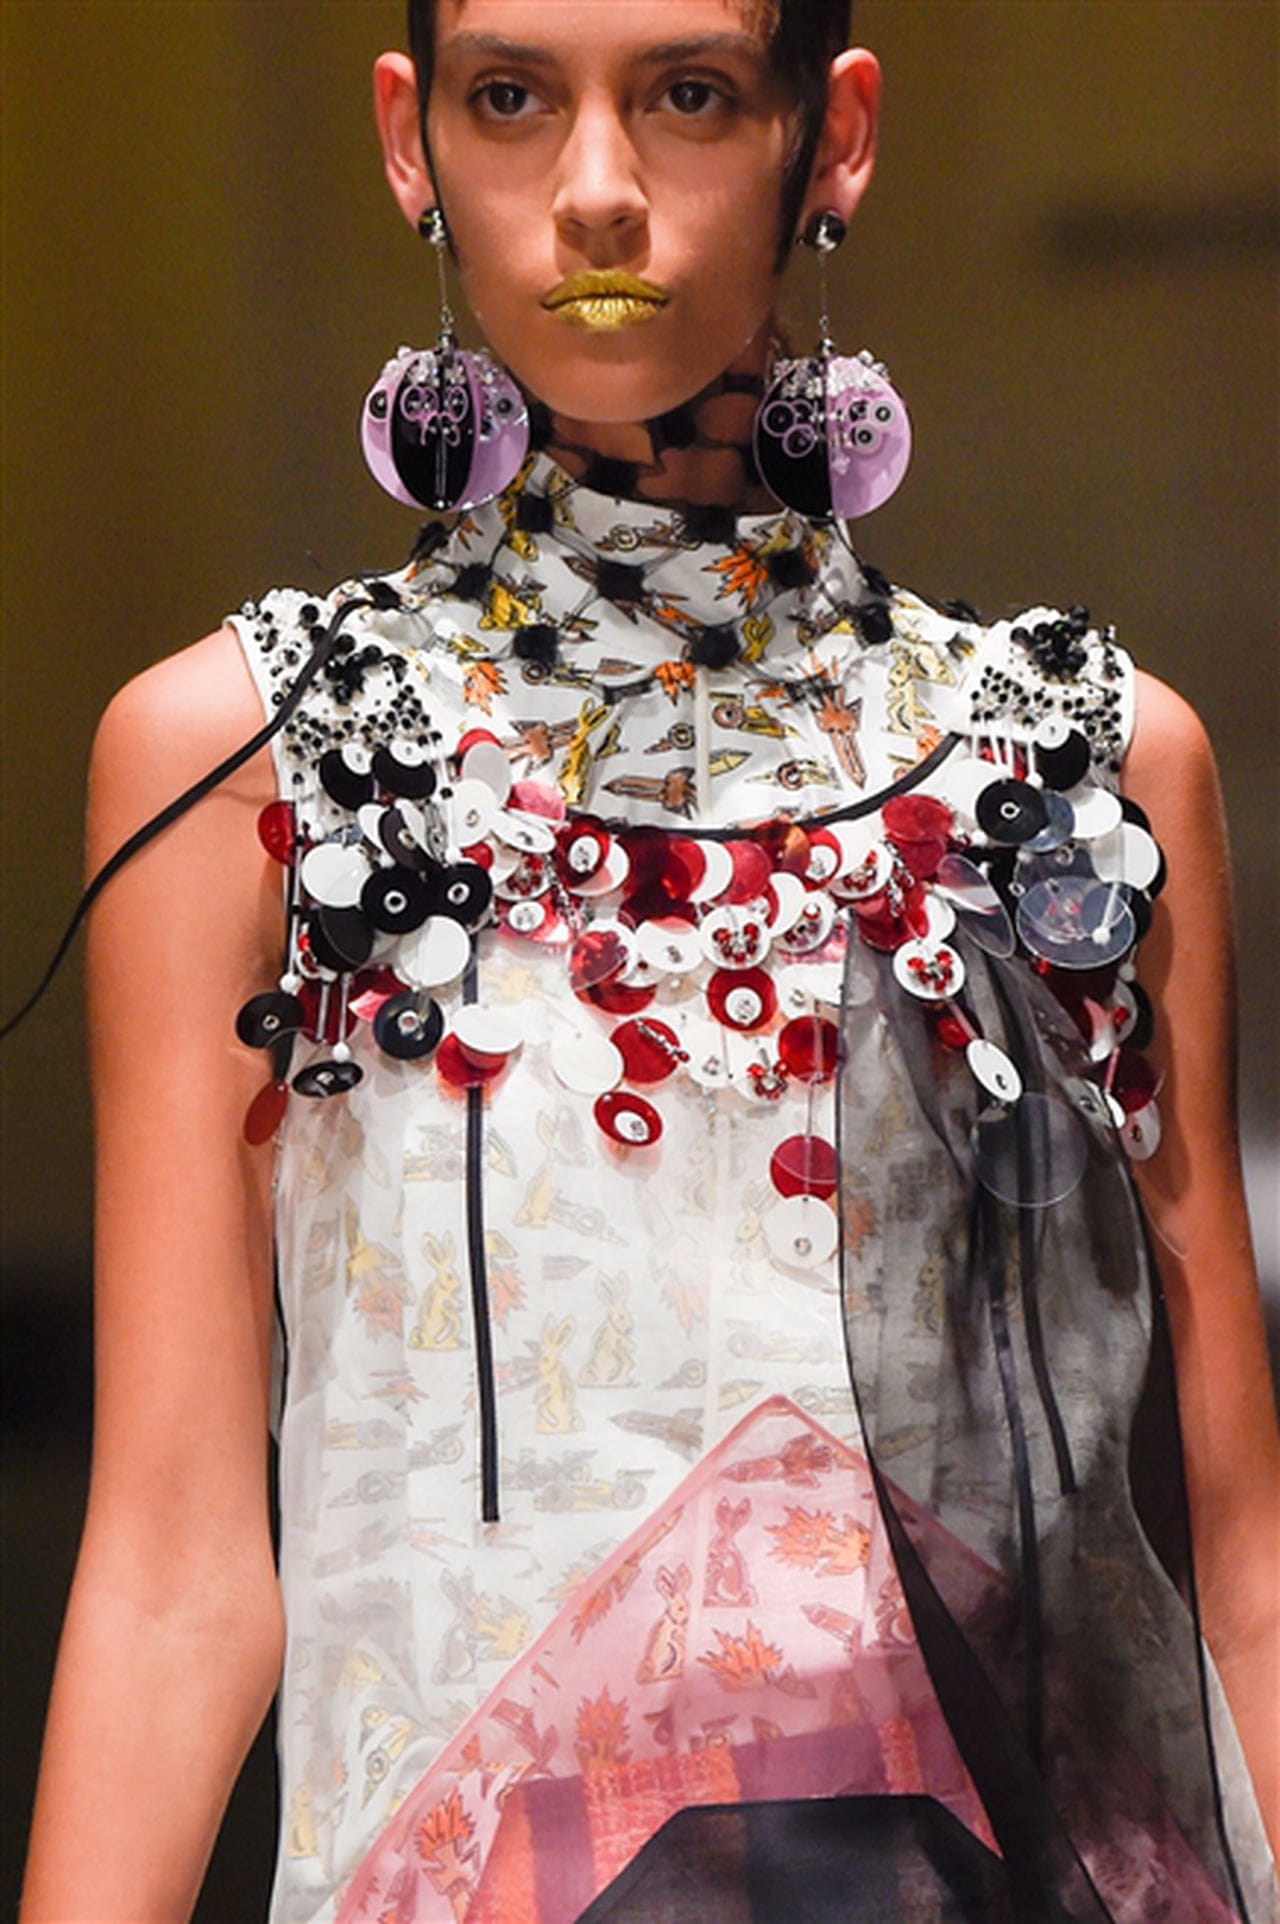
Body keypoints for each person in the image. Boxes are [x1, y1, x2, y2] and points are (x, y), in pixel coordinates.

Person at [19, 2, 1279, 1920]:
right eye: (510, 98)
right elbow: (176, 1569)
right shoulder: (243, 768)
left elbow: (1229, 1562)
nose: (597, 190)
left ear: (832, 136)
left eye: (689, 95)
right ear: (408, 138)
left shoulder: (1082, 774)